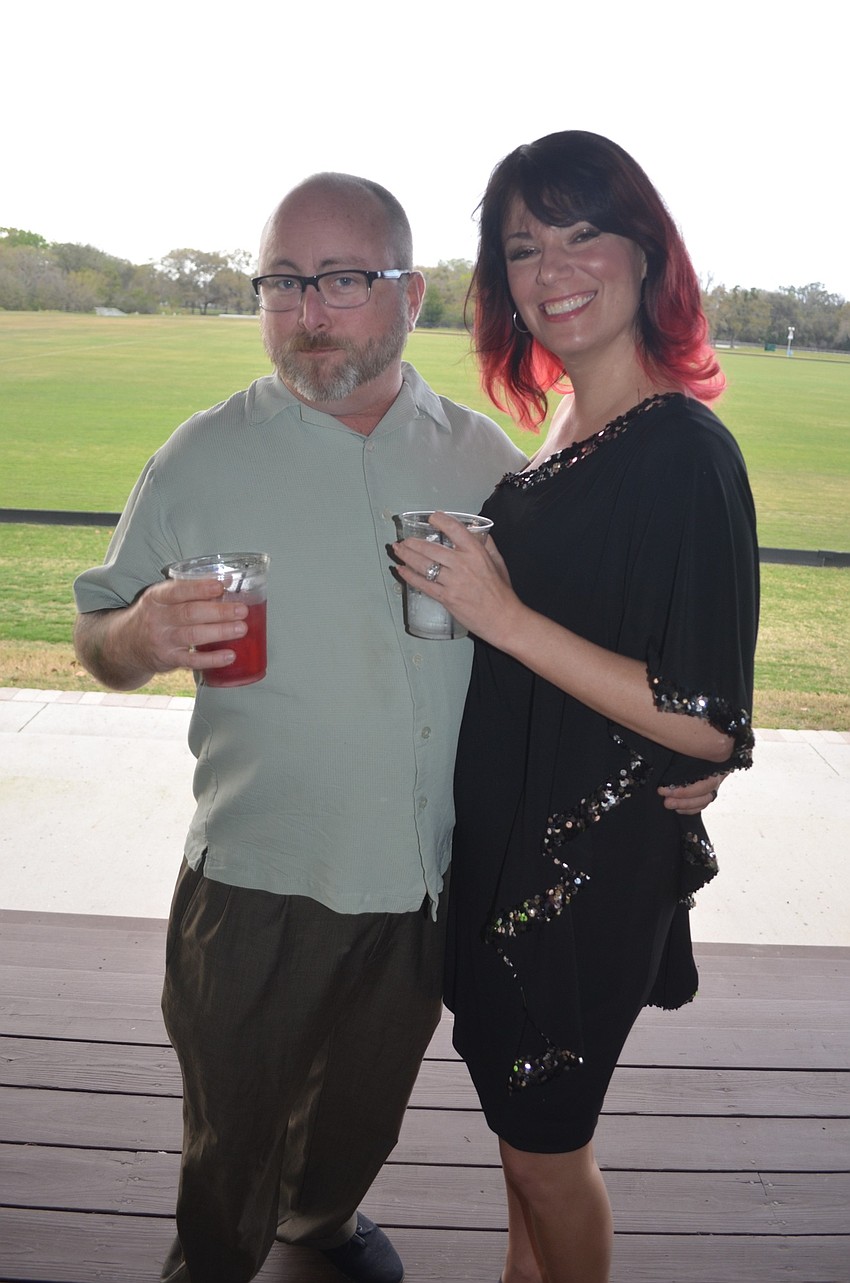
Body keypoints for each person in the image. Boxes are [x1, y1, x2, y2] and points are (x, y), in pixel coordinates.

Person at [72, 172, 527, 1283]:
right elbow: (97, 635)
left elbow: (550, 650)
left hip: (425, 878)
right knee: (230, 1138)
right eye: (283, 280)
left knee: (362, 1116)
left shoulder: (487, 463)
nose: (306, 309)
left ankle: (318, 1230)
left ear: (410, 293)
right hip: (258, 877)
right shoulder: (201, 455)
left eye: (341, 279)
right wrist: (140, 632)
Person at [392, 131, 758, 1283]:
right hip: (511, 842)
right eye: (521, 246)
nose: (551, 266)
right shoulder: (565, 429)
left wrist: (500, 616)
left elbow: (708, 718)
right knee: (517, 1141)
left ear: (646, 252)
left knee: (550, 1151)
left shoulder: (682, 452)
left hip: (581, 870)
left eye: (581, 230)